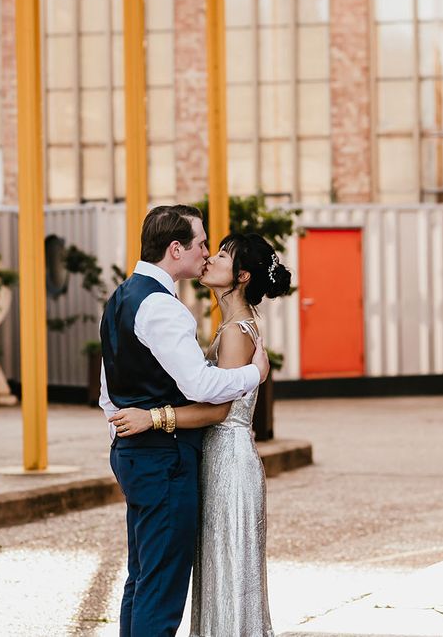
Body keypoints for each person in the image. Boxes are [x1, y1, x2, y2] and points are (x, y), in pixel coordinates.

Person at [99, 206, 270, 637]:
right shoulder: (164, 308)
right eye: (201, 243)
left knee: (141, 580)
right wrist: (255, 375)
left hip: (138, 457)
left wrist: (125, 426)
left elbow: (107, 389)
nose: (207, 253)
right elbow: (199, 385)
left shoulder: (121, 296)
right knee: (159, 588)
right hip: (165, 461)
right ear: (176, 249)